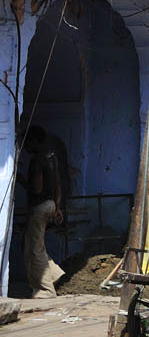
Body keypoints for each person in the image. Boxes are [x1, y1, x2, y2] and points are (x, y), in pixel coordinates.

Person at [20, 125, 63, 298]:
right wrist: (58, 207)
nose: (25, 146)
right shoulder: (52, 157)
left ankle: (45, 291)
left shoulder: (37, 160)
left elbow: (37, 189)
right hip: (51, 204)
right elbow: (58, 184)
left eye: (27, 142)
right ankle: (54, 274)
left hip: (39, 207)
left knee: (34, 249)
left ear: (35, 141)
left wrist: (22, 181)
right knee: (31, 243)